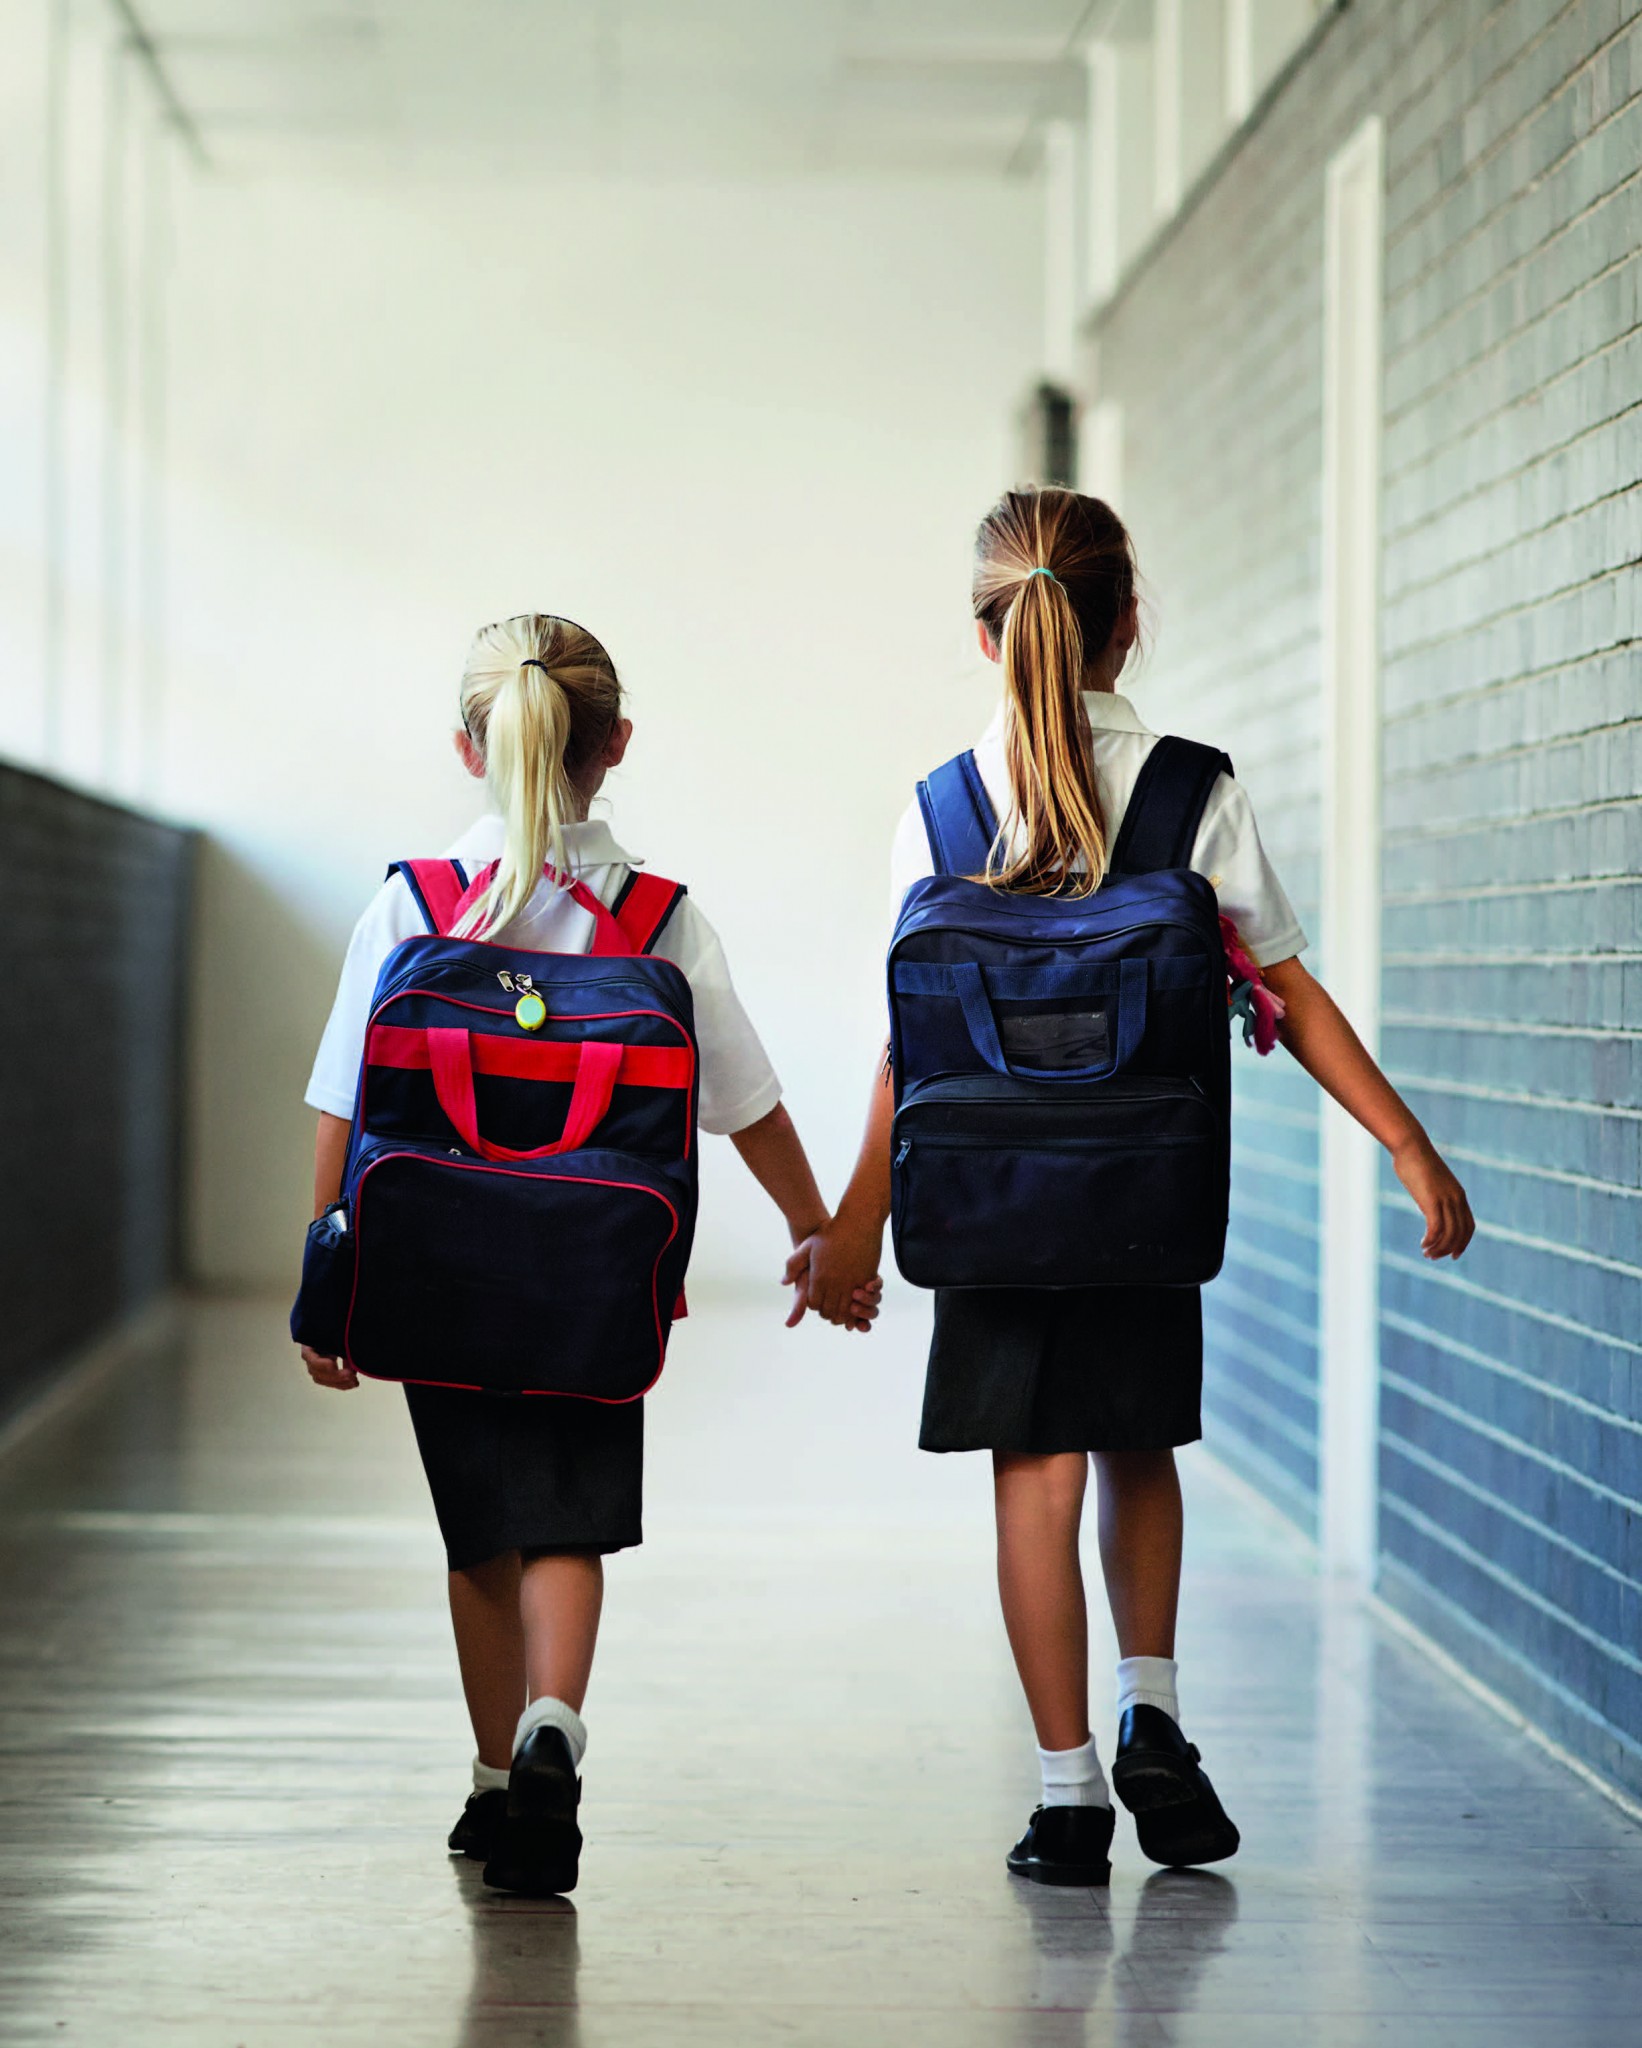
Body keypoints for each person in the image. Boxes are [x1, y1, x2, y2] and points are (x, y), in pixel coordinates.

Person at [791, 487, 1474, 1882]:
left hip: (985, 1204)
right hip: (1142, 1196)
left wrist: (853, 1226)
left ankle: (1067, 1797)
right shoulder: (1189, 788)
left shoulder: (939, 807)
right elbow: (1289, 990)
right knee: (1134, 1446)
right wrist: (1404, 1142)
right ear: (1128, 621)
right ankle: (1150, 1706)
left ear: (986, 636)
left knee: (1032, 1477)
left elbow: (906, 1050)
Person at [298, 612, 877, 1896]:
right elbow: (748, 1102)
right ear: (615, 745)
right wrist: (816, 1228)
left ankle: (492, 1777)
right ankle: (553, 1725)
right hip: (597, 1276)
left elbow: (341, 1100)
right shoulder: (658, 917)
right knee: (566, 1519)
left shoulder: (411, 904)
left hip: (435, 1268)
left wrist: (325, 1277)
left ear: (469, 747)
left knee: (479, 1537)